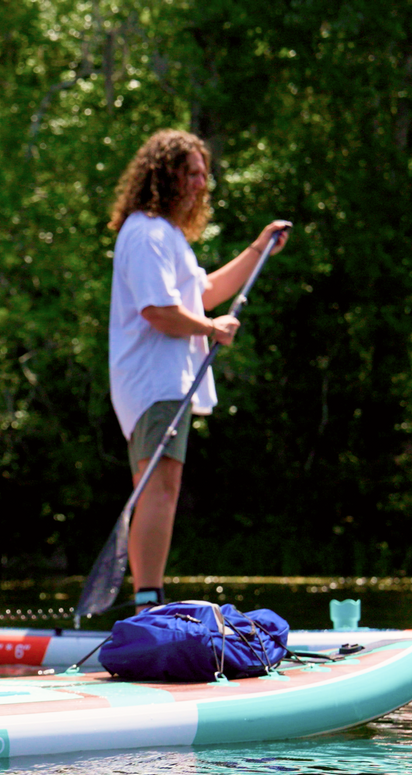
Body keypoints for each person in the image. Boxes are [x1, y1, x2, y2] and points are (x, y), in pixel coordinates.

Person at [107, 129, 289, 609]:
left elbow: (200, 292)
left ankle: (150, 599)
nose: (200, 184)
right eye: (190, 173)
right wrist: (210, 329)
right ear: (163, 176)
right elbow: (158, 311)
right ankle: (149, 603)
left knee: (164, 484)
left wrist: (257, 251)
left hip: (168, 382)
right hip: (152, 381)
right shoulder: (145, 232)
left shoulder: (165, 236)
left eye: (204, 174)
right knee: (159, 485)